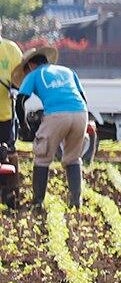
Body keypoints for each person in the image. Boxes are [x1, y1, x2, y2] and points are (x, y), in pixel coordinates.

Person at [13, 46, 91, 211]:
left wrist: (24, 126)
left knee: (42, 156)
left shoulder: (34, 74)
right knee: (73, 158)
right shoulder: (67, 71)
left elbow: (20, 101)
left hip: (56, 114)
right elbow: (82, 96)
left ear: (31, 65)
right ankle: (76, 202)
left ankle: (37, 202)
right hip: (80, 112)